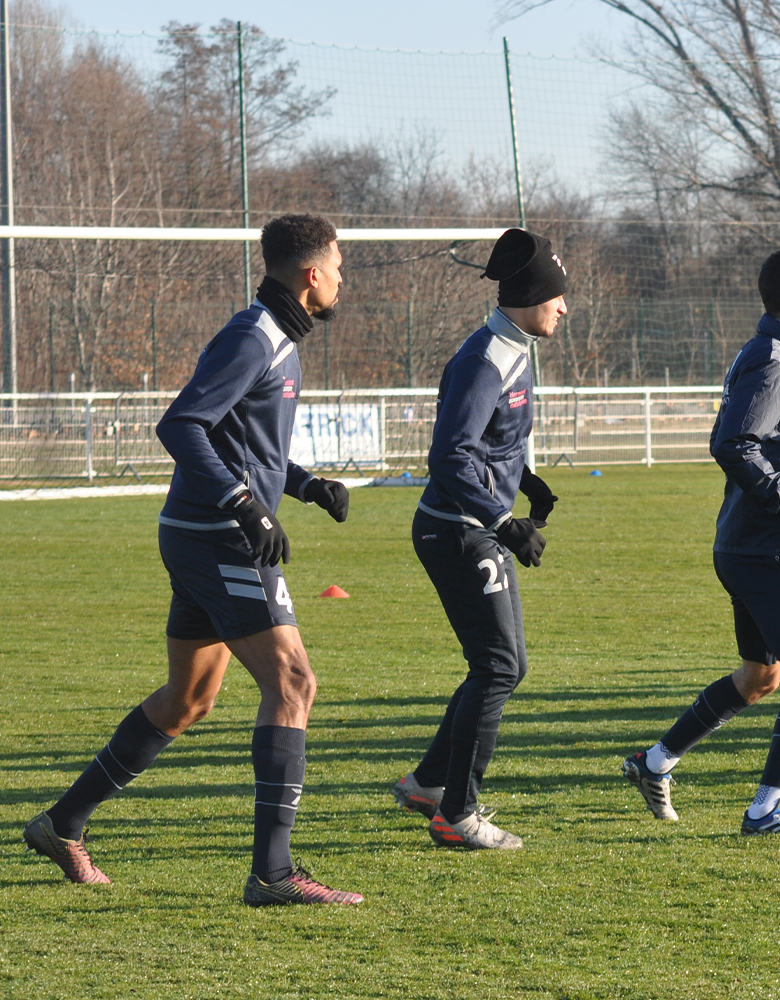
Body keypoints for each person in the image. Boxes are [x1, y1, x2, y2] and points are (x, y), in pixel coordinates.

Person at [24, 215, 361, 906]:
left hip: (198, 530)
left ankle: (62, 823)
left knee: (190, 700)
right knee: (294, 683)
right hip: (216, 535)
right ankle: (272, 873)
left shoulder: (279, 337)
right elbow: (181, 425)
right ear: (310, 275)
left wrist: (301, 484)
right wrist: (244, 505)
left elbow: (243, 439)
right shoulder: (253, 335)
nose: (340, 279)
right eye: (338, 267)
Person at [621, 247, 780, 836]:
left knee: (759, 678)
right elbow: (734, 443)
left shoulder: (774, 352)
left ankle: (655, 762)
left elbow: (761, 440)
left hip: (745, 544)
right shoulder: (776, 359)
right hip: (767, 547)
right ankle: (767, 809)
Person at [390, 228, 565, 850]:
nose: (563, 307)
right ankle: (456, 814)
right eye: (557, 296)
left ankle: (428, 783)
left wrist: (529, 484)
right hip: (457, 530)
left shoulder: (514, 347)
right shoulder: (486, 358)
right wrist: (502, 520)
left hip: (471, 524)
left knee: (500, 666)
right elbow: (450, 457)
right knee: (498, 667)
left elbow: (494, 443)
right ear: (530, 295)